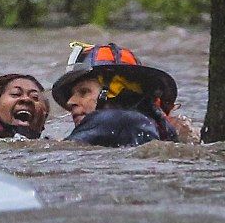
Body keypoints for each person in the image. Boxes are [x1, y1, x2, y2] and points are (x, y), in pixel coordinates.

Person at [51, 42, 193, 147]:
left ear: (113, 91)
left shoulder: (112, 119)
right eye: (72, 94)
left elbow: (57, 153)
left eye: (84, 92)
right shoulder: (157, 125)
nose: (70, 102)